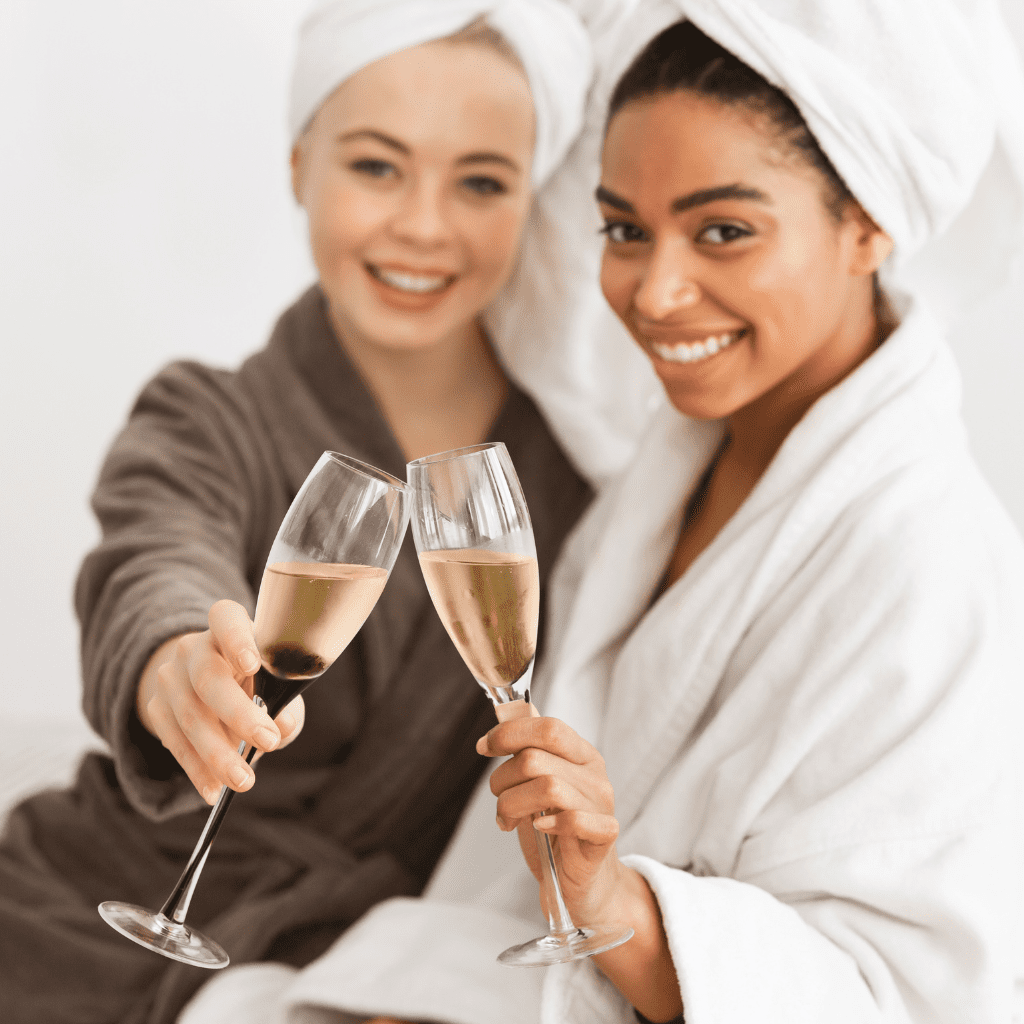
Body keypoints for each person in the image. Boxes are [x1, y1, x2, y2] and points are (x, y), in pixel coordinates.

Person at [177, 1, 1024, 1022]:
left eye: (723, 230)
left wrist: (615, 900)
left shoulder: (933, 571)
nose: (654, 291)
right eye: (624, 229)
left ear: (866, 224)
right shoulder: (659, 476)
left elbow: (911, 996)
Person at [0, 3, 659, 1022]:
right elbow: (152, 552)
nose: (423, 225)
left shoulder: (574, 475)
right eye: (375, 166)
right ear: (300, 164)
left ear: (532, 200)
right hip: (84, 925)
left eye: (480, 181)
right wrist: (176, 658)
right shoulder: (207, 416)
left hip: (361, 954)